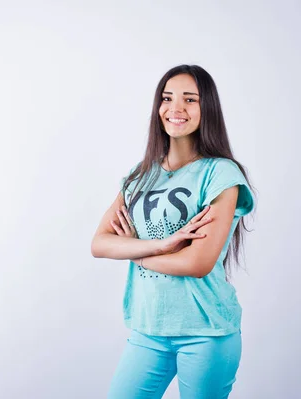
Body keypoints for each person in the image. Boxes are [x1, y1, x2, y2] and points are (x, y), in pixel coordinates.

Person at [91, 64, 256, 398]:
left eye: (190, 99)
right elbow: (100, 243)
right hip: (147, 329)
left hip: (206, 331)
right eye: (167, 98)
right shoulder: (141, 175)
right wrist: (164, 245)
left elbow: (197, 263)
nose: (175, 108)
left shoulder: (221, 174)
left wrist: (136, 251)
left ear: (206, 108)